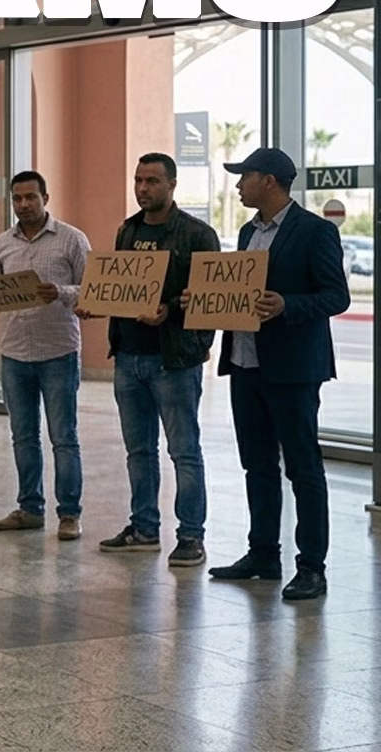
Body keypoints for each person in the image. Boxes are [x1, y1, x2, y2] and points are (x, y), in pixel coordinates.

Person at [208, 147, 347, 602]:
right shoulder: (249, 231)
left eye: (244, 177)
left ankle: (311, 566)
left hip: (292, 370)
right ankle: (263, 553)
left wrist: (289, 304)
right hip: (246, 364)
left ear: (268, 181)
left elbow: (336, 296)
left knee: (304, 469)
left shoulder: (315, 231)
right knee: (257, 464)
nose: (238, 185)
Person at [94, 153, 218, 569]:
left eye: (151, 181)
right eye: (138, 180)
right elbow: (120, 288)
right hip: (129, 356)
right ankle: (144, 527)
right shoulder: (127, 231)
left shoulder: (197, 234)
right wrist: (98, 303)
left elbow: (209, 300)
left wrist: (170, 310)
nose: (143, 188)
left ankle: (190, 536)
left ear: (172, 185)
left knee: (183, 450)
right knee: (138, 451)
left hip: (174, 360)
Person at [0, 170, 89, 541]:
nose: (24, 205)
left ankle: (70, 514)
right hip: (14, 353)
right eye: (17, 199)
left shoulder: (71, 239)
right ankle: (30, 508)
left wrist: (59, 292)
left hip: (58, 351)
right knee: (22, 435)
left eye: (31, 197)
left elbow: (92, 290)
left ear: (46, 197)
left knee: (64, 436)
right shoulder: (2, 243)